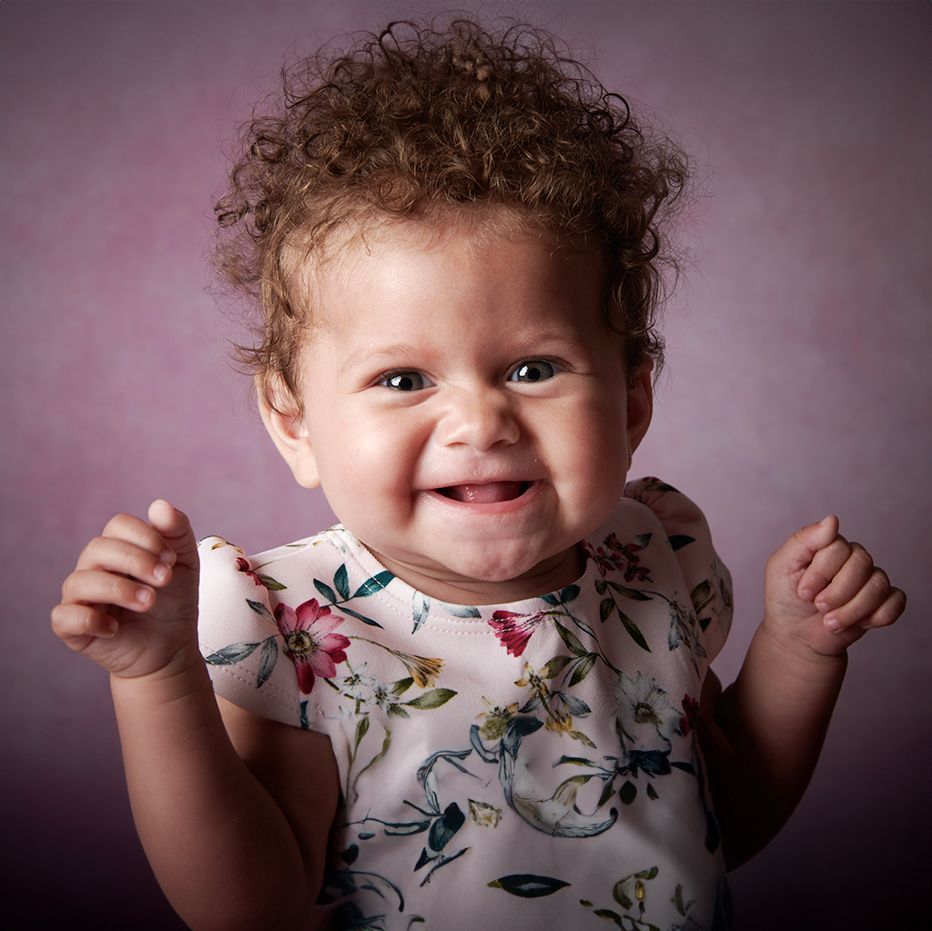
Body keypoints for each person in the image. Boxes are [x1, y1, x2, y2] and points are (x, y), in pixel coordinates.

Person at [50, 17, 906, 931]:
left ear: (631, 400)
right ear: (294, 421)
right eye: (403, 379)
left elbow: (725, 822)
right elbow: (250, 909)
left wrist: (799, 650)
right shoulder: (295, 626)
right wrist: (158, 678)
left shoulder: (654, 557)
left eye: (533, 368)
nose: (479, 422)